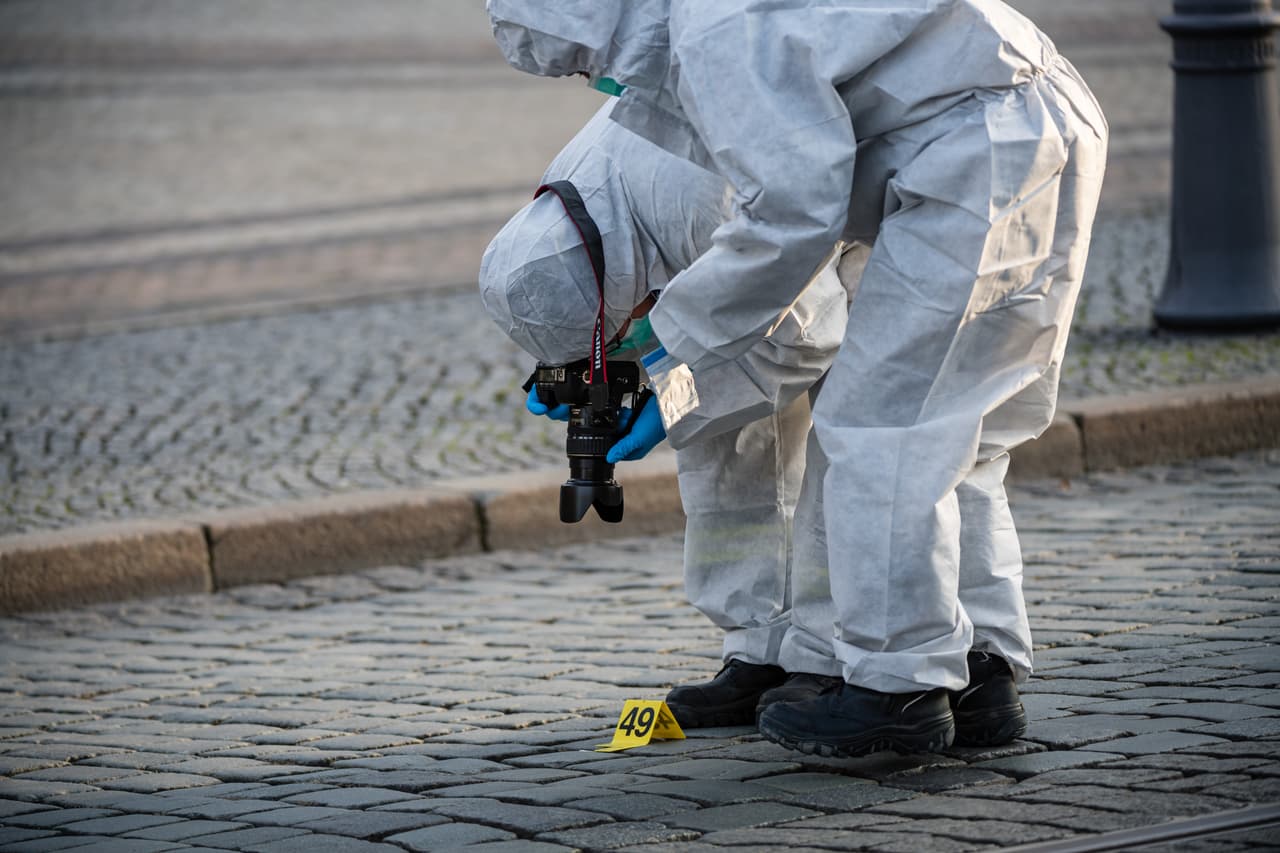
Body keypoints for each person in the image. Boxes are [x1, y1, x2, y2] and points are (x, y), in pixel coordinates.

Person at [485, 0, 1109, 756]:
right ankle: (975, 671)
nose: (593, 80)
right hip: (1006, 133)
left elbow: (800, 308)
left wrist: (670, 379)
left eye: (582, 61)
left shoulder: (699, 105)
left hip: (973, 156)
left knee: (881, 434)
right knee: (951, 436)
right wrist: (662, 370)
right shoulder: (611, 173)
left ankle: (899, 688)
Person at [480, 104, 851, 727]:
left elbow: (804, 338)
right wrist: (582, 365)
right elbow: (606, 299)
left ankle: (828, 655)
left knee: (847, 450)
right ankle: (758, 648)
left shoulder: (696, 204)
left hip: (846, 252)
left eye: (610, 339)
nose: (620, 348)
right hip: (739, 236)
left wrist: (672, 398)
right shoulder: (566, 216)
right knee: (726, 448)